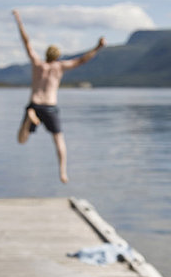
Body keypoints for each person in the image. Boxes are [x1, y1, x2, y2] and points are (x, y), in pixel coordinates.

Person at [13, 9, 106, 184]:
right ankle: (63, 172)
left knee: (21, 140)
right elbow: (82, 60)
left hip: (34, 104)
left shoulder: (37, 64)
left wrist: (19, 21)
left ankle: (28, 120)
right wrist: (98, 47)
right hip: (49, 106)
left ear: (46, 54)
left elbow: (27, 43)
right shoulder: (60, 67)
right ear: (58, 56)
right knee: (59, 140)